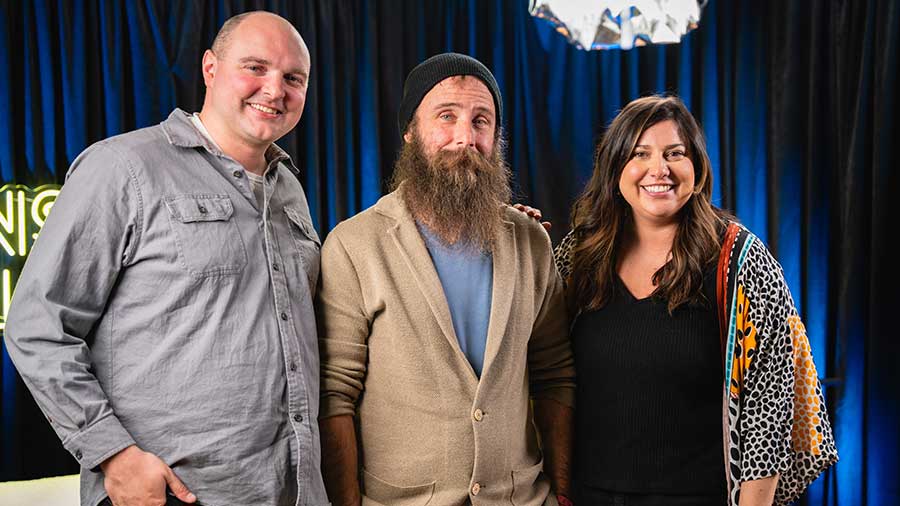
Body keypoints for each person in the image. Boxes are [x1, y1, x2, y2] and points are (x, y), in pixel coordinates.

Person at [3, 11, 329, 506]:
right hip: (173, 495)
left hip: (291, 490)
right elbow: (37, 324)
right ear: (210, 68)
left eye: (293, 78)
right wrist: (113, 453)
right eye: (256, 68)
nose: (274, 89)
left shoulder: (290, 190)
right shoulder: (122, 168)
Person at [316, 53, 576, 506]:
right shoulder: (354, 245)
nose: (465, 137)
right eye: (446, 117)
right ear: (411, 132)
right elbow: (335, 393)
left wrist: (564, 494)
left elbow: (555, 376)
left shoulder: (531, 242)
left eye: (481, 121)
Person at [554, 95, 837, 506]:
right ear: (615, 168)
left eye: (675, 154)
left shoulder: (741, 261)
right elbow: (537, 368)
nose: (659, 170)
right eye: (640, 154)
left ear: (697, 168)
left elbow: (770, 414)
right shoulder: (577, 255)